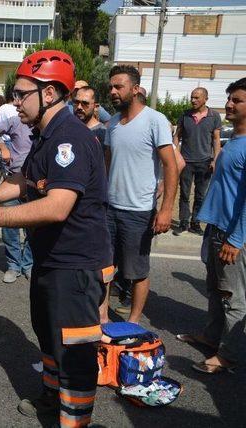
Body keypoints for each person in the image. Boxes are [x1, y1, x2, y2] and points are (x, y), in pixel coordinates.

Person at [0, 50, 112, 427]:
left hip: (75, 265)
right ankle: (51, 399)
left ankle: (72, 420)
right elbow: (22, 180)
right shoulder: (45, 135)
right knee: (50, 339)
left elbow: (57, 206)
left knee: (74, 352)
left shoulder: (69, 139)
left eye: (22, 94)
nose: (15, 101)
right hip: (51, 259)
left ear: (52, 94)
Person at [176, 78, 246, 374]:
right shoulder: (235, 141)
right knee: (216, 290)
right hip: (216, 229)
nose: (229, 104)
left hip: (233, 235)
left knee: (234, 298)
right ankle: (212, 337)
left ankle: (229, 355)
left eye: (237, 100)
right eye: (230, 99)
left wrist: (237, 238)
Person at [104, 65, 178, 323]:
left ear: (135, 89)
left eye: (118, 86)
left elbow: (171, 165)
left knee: (136, 270)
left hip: (139, 212)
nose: (113, 91)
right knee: (105, 267)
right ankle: (102, 314)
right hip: (110, 209)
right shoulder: (112, 123)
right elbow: (107, 163)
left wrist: (167, 209)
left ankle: (133, 321)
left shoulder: (155, 120)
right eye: (111, 87)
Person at [0, 102, 34, 284]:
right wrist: (4, 149)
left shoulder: (45, 125)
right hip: (13, 180)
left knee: (34, 227)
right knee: (9, 226)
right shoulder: (15, 121)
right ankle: (13, 265)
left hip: (35, 183)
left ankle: (28, 264)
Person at [172, 87, 222, 236]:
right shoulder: (185, 115)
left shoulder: (214, 116)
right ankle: (183, 223)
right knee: (185, 194)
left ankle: (195, 223)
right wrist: (176, 155)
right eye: (192, 97)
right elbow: (176, 136)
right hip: (186, 162)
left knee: (201, 195)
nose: (193, 100)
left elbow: (216, 139)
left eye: (197, 98)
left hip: (205, 162)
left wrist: (215, 159)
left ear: (205, 99)